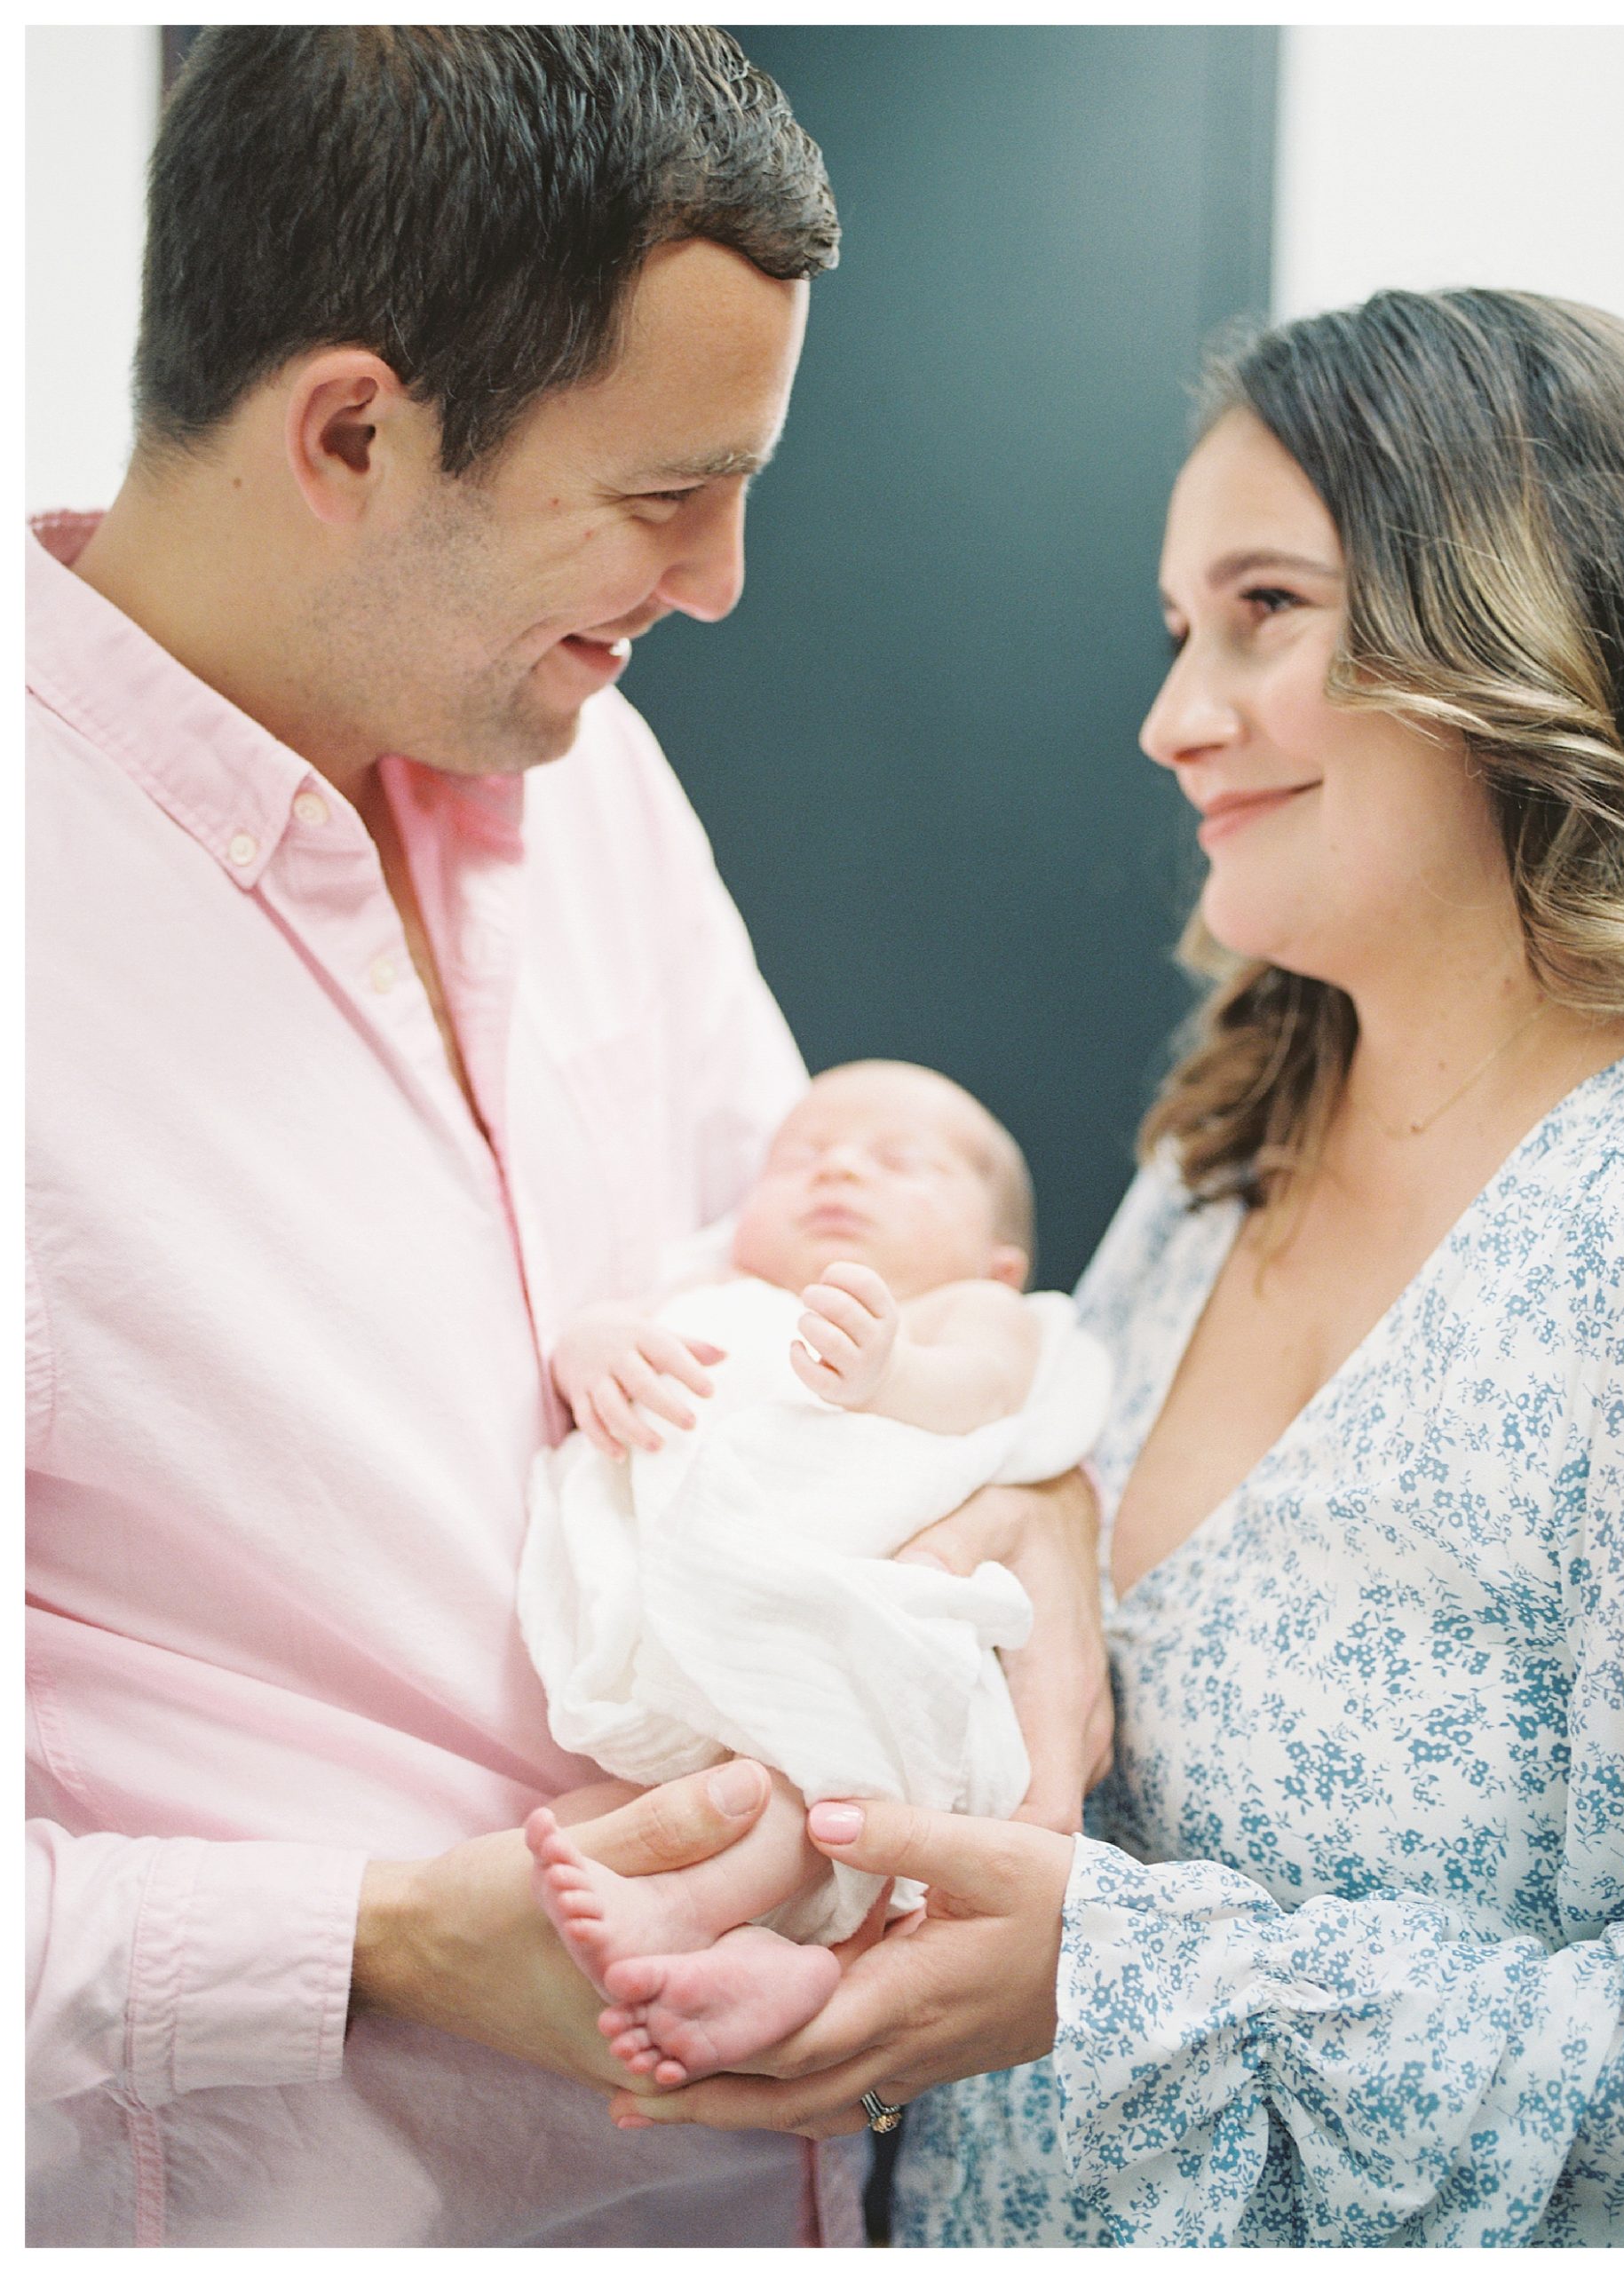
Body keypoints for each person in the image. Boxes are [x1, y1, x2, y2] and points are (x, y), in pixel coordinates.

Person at [25, 28, 1112, 2246]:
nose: (718, 581)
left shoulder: (585, 764)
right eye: (659, 492)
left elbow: (887, 1326)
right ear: (350, 429)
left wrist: (1049, 1643)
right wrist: (394, 1936)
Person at [602, 289, 1624, 2249]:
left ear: (1520, 611)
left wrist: (1119, 1973)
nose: (1172, 716)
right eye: (1177, 628)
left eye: (1265, 608)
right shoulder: (1219, 1156)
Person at [518, 1061, 1111, 2087]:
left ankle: (695, 1921)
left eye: (900, 1162)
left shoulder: (974, 1309)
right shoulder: (714, 1292)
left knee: (800, 1780)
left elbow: (980, 1393)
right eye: (801, 1155)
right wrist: (592, 1346)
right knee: (673, 1792)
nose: (837, 1166)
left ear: (997, 1257)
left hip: (862, 1616)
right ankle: (753, 1968)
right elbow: (616, 1348)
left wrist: (893, 1373)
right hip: (704, 1610)